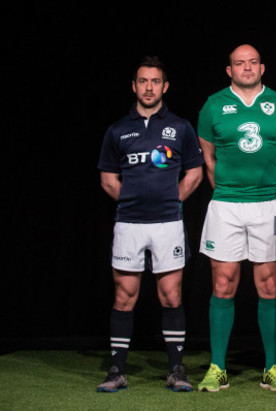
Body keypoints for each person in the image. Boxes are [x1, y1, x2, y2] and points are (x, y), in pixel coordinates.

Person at [196, 44, 276, 392]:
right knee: (223, 283)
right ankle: (217, 367)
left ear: (262, 67)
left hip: (269, 203)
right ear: (229, 70)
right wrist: (229, 189)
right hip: (225, 204)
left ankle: (272, 366)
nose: (246, 67)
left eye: (252, 62)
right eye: (239, 63)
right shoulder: (213, 105)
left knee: (269, 284)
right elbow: (208, 160)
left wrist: (272, 192)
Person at [96, 56, 204, 392]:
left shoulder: (181, 128)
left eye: (155, 81)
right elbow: (108, 178)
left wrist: (171, 202)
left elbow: (195, 172)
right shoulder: (117, 130)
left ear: (165, 86)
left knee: (171, 296)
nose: (148, 87)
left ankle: (176, 369)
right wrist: (133, 203)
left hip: (168, 224)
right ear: (134, 86)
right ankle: (117, 370)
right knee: (125, 295)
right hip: (128, 224)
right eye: (143, 81)